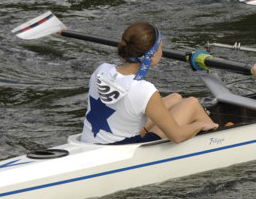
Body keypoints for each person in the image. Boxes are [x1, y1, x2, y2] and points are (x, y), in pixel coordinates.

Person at [80, 22, 218, 145]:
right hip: (124, 147)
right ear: (151, 55)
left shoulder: (101, 69)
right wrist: (199, 125)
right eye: (161, 48)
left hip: (91, 140)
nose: (162, 52)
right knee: (192, 103)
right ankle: (219, 139)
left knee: (175, 98)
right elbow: (178, 136)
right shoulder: (144, 90)